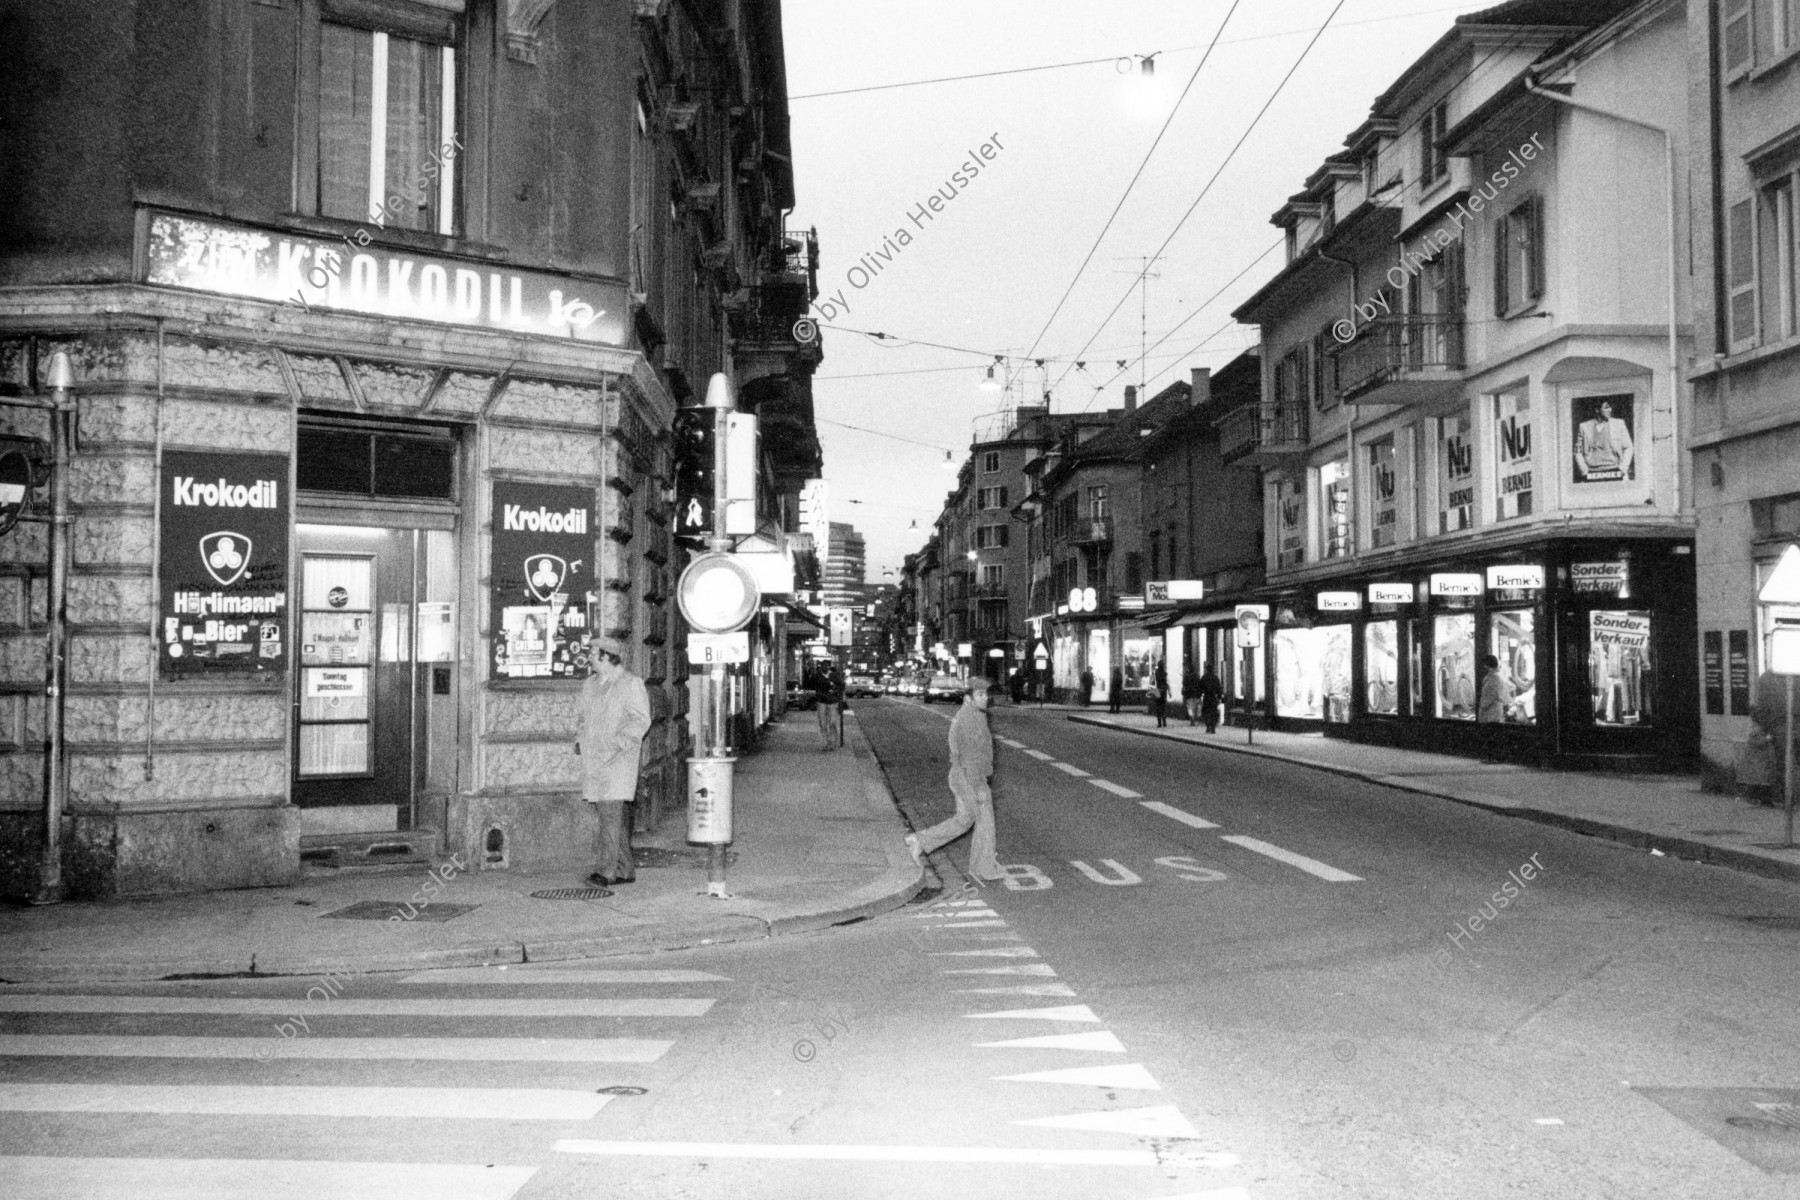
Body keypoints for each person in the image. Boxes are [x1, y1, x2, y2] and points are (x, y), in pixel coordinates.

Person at [905, 676, 1003, 880]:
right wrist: (978, 788)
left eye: (985, 694)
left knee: (964, 820)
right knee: (985, 821)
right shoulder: (970, 719)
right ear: (968, 698)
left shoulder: (973, 714)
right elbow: (970, 757)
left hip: (963, 776)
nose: (985, 698)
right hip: (969, 777)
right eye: (979, 695)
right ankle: (985, 868)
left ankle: (920, 841)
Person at [576, 637, 651, 887]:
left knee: (609, 815)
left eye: (593, 653)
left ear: (608, 656)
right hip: (595, 759)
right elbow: (582, 718)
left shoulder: (631, 684)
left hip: (618, 761)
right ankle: (625, 869)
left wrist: (618, 744)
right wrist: (580, 739)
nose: (589, 657)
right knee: (611, 817)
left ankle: (606, 871)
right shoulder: (590, 685)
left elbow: (641, 720)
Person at [1574, 398, 1635, 482]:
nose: (1610, 409)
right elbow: (1578, 451)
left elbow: (1629, 447)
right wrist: (1584, 471)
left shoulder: (1618, 424)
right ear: (1597, 410)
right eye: (1606, 407)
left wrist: (1622, 469)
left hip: (1614, 470)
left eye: (1610, 407)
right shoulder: (1584, 427)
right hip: (1592, 473)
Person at [1477, 653, 1518, 724]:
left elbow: (1489, 697)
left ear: (1488, 665)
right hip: (1493, 713)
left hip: (1491, 714)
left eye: (1485, 665)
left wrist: (1482, 706)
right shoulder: (1494, 676)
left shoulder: (1495, 678)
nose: (1484, 667)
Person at [816, 662, 844, 750]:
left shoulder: (834, 676)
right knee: (822, 723)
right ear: (821, 666)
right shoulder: (817, 675)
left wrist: (835, 690)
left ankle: (832, 743)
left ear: (829, 666)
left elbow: (842, 686)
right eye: (824, 665)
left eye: (827, 665)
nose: (825, 667)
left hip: (832, 701)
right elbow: (812, 684)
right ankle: (824, 743)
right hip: (821, 701)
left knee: (832, 722)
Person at [1198, 662, 1224, 734]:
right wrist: (1219, 697)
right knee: (1214, 712)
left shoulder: (1204, 677)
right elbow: (1219, 688)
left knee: (1206, 712)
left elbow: (1200, 687)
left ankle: (1208, 726)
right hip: (1213, 697)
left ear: (1207, 669)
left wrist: (1200, 695)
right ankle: (1213, 727)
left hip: (1206, 697)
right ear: (1213, 669)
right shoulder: (1215, 678)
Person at [1152, 659, 1169, 727]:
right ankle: (1164, 722)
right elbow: (1166, 682)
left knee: (1158, 706)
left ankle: (1159, 723)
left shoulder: (1156, 672)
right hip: (1163, 690)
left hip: (1157, 690)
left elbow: (1153, 681)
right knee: (1163, 706)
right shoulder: (1164, 673)